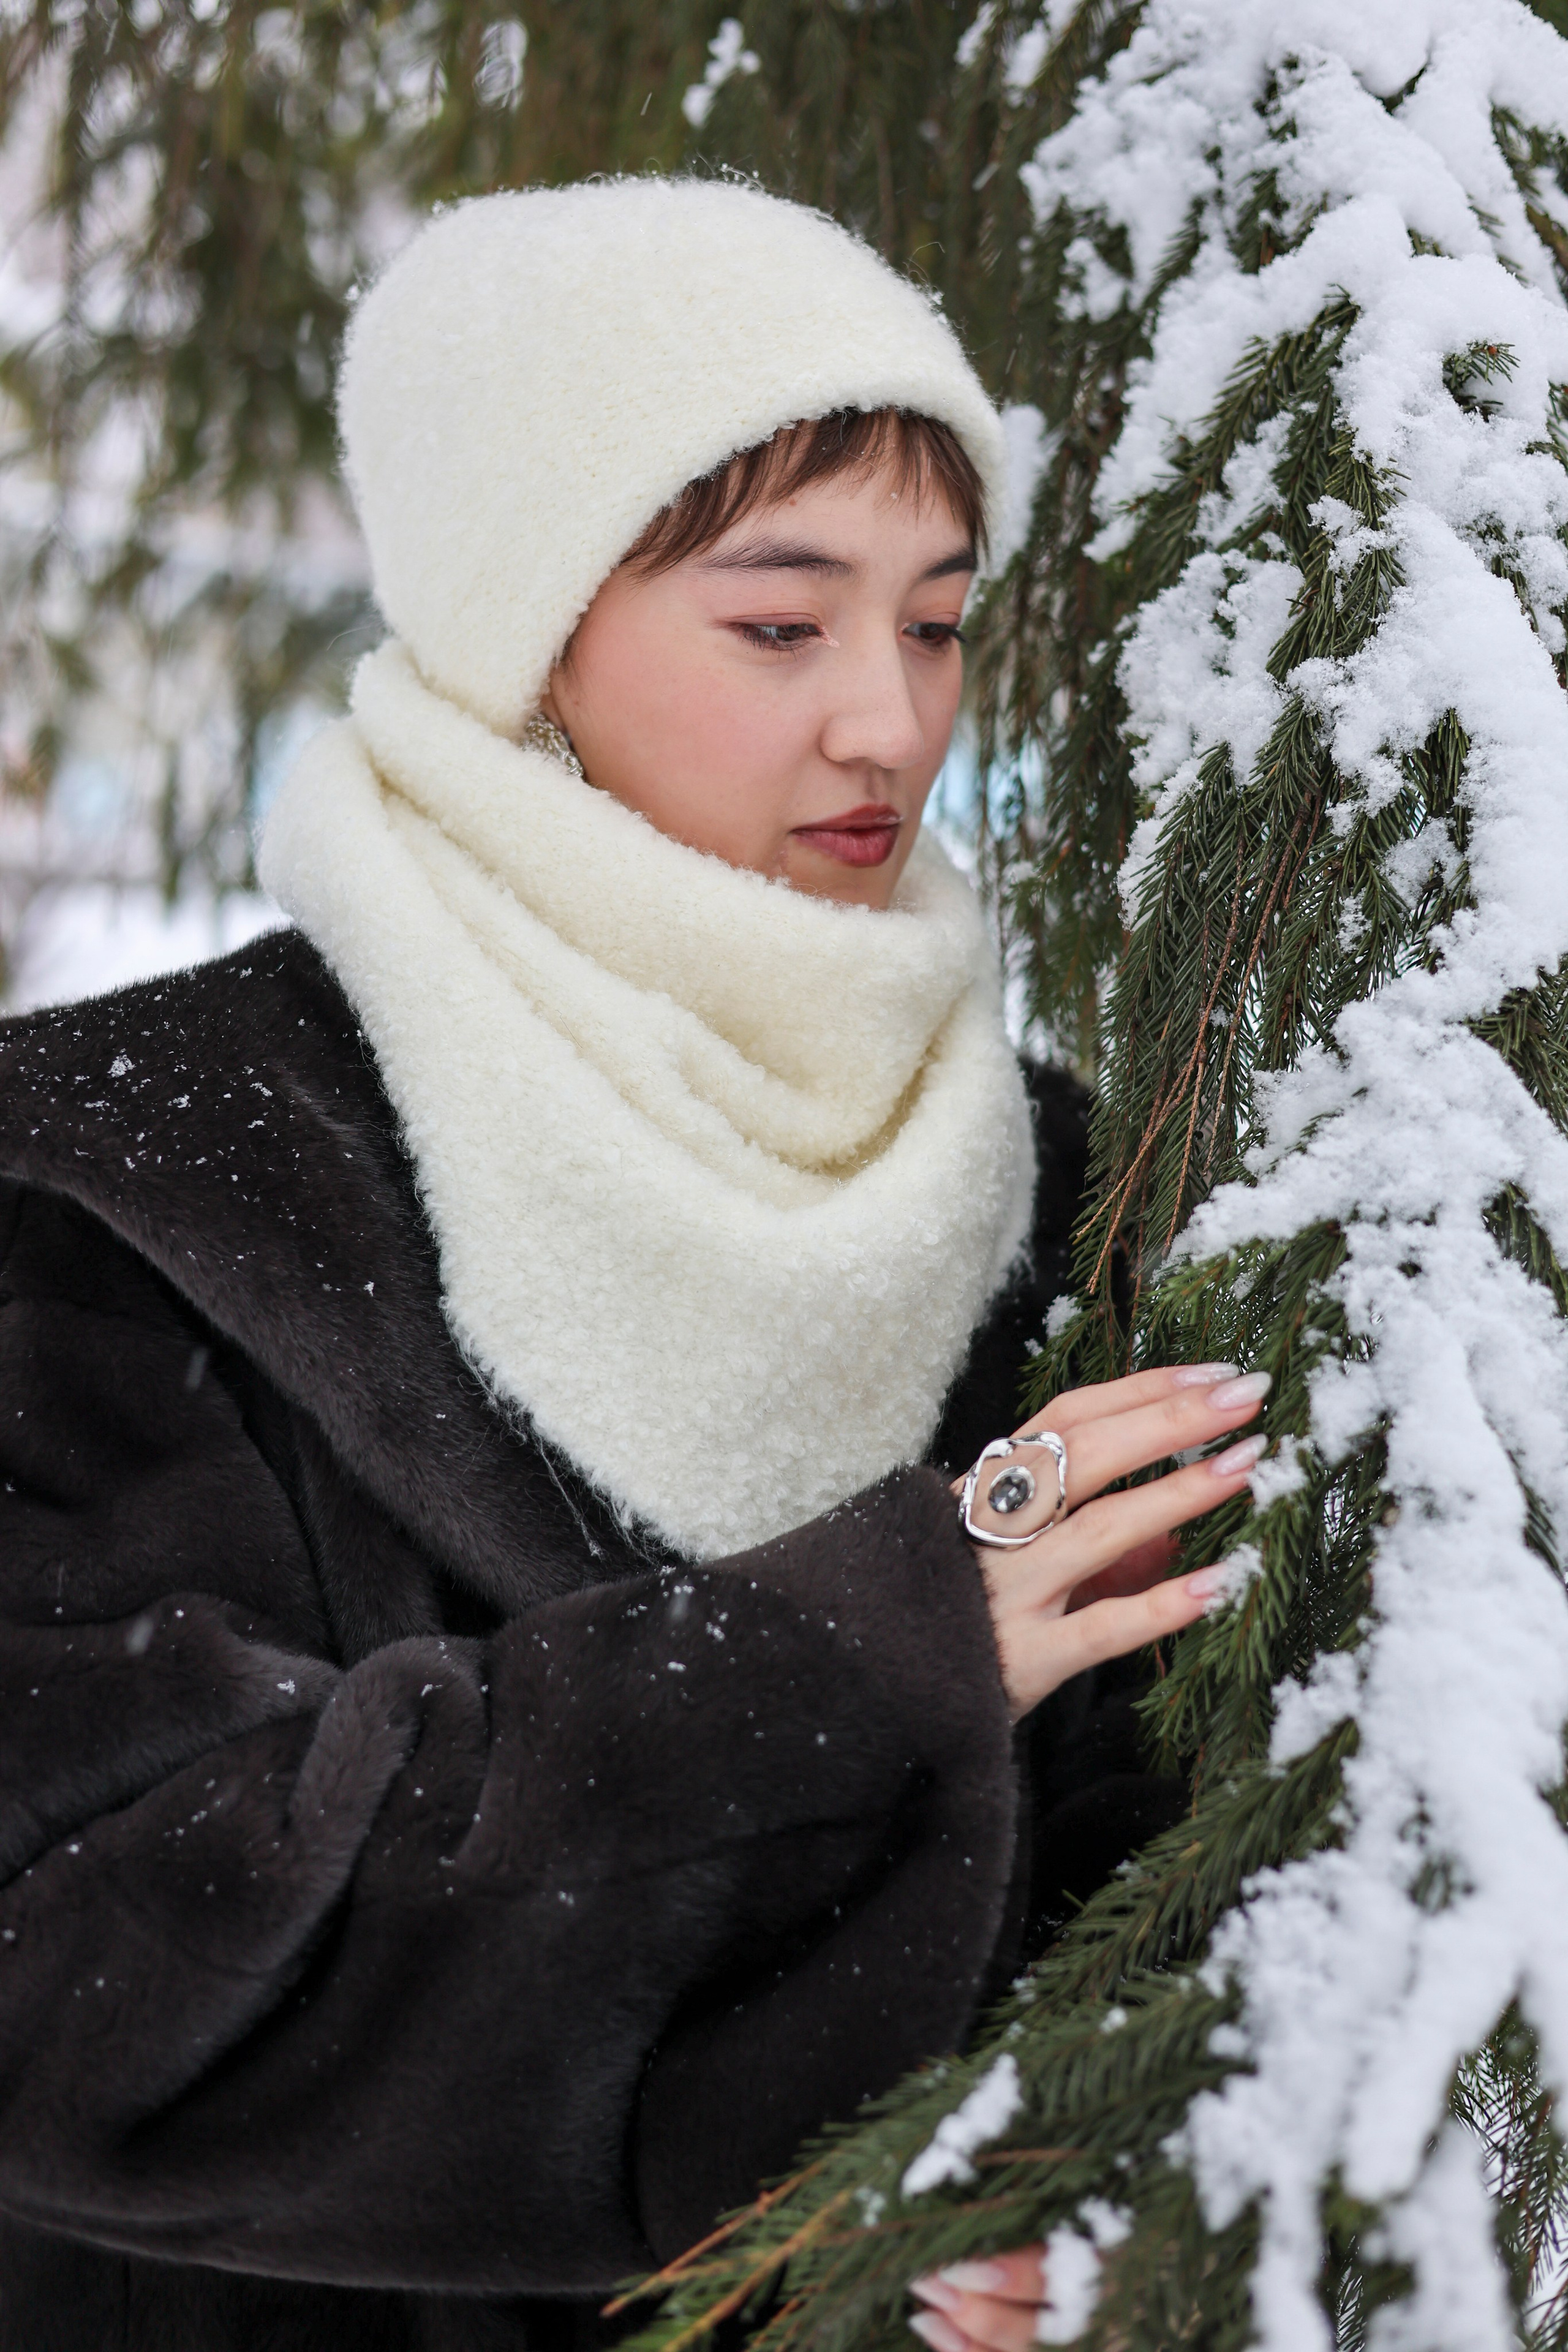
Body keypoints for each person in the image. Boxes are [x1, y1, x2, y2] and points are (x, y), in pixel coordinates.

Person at [0, 179, 1268, 2352]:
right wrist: (854, 1658)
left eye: (942, 618)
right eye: (782, 625)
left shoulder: (1055, 1178)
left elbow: (1170, 1864)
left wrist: (1062, 2178)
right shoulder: (125, 1176)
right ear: (532, 635)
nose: (890, 719)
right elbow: (89, 1971)